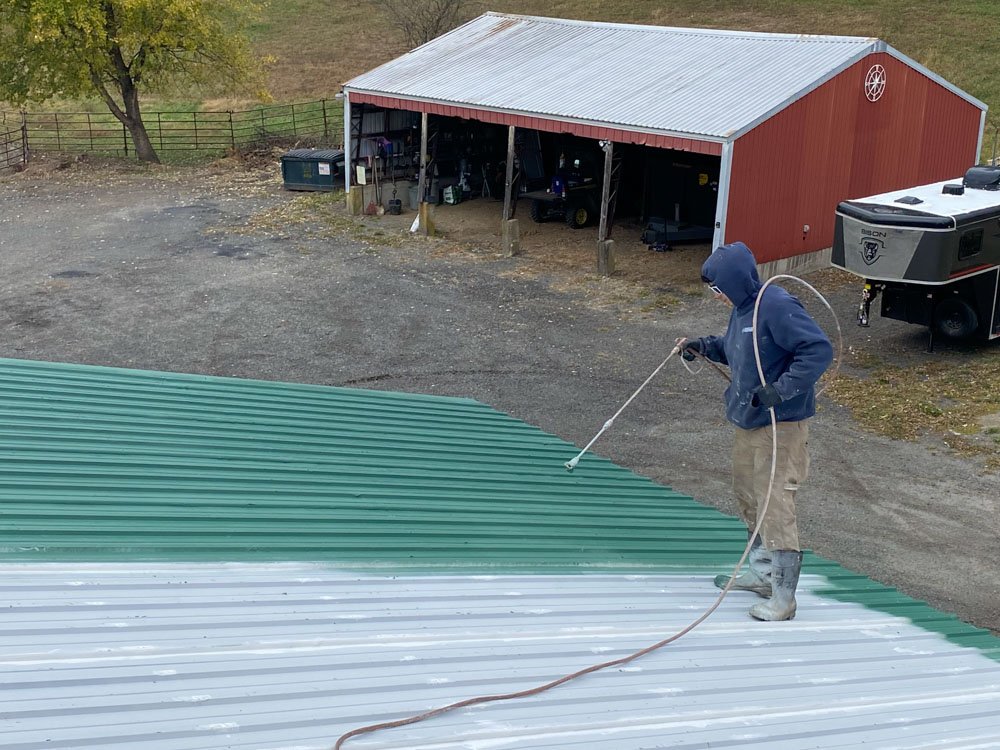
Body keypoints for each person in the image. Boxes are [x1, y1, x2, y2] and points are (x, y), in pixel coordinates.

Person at [681, 241, 833, 621]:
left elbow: (817, 349)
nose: (716, 297)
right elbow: (737, 349)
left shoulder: (777, 305)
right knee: (749, 496)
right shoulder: (742, 309)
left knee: (775, 502)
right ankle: (763, 574)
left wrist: (780, 390)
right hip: (748, 421)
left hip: (779, 426)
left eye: (718, 289)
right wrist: (703, 347)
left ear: (733, 281)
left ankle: (783, 598)